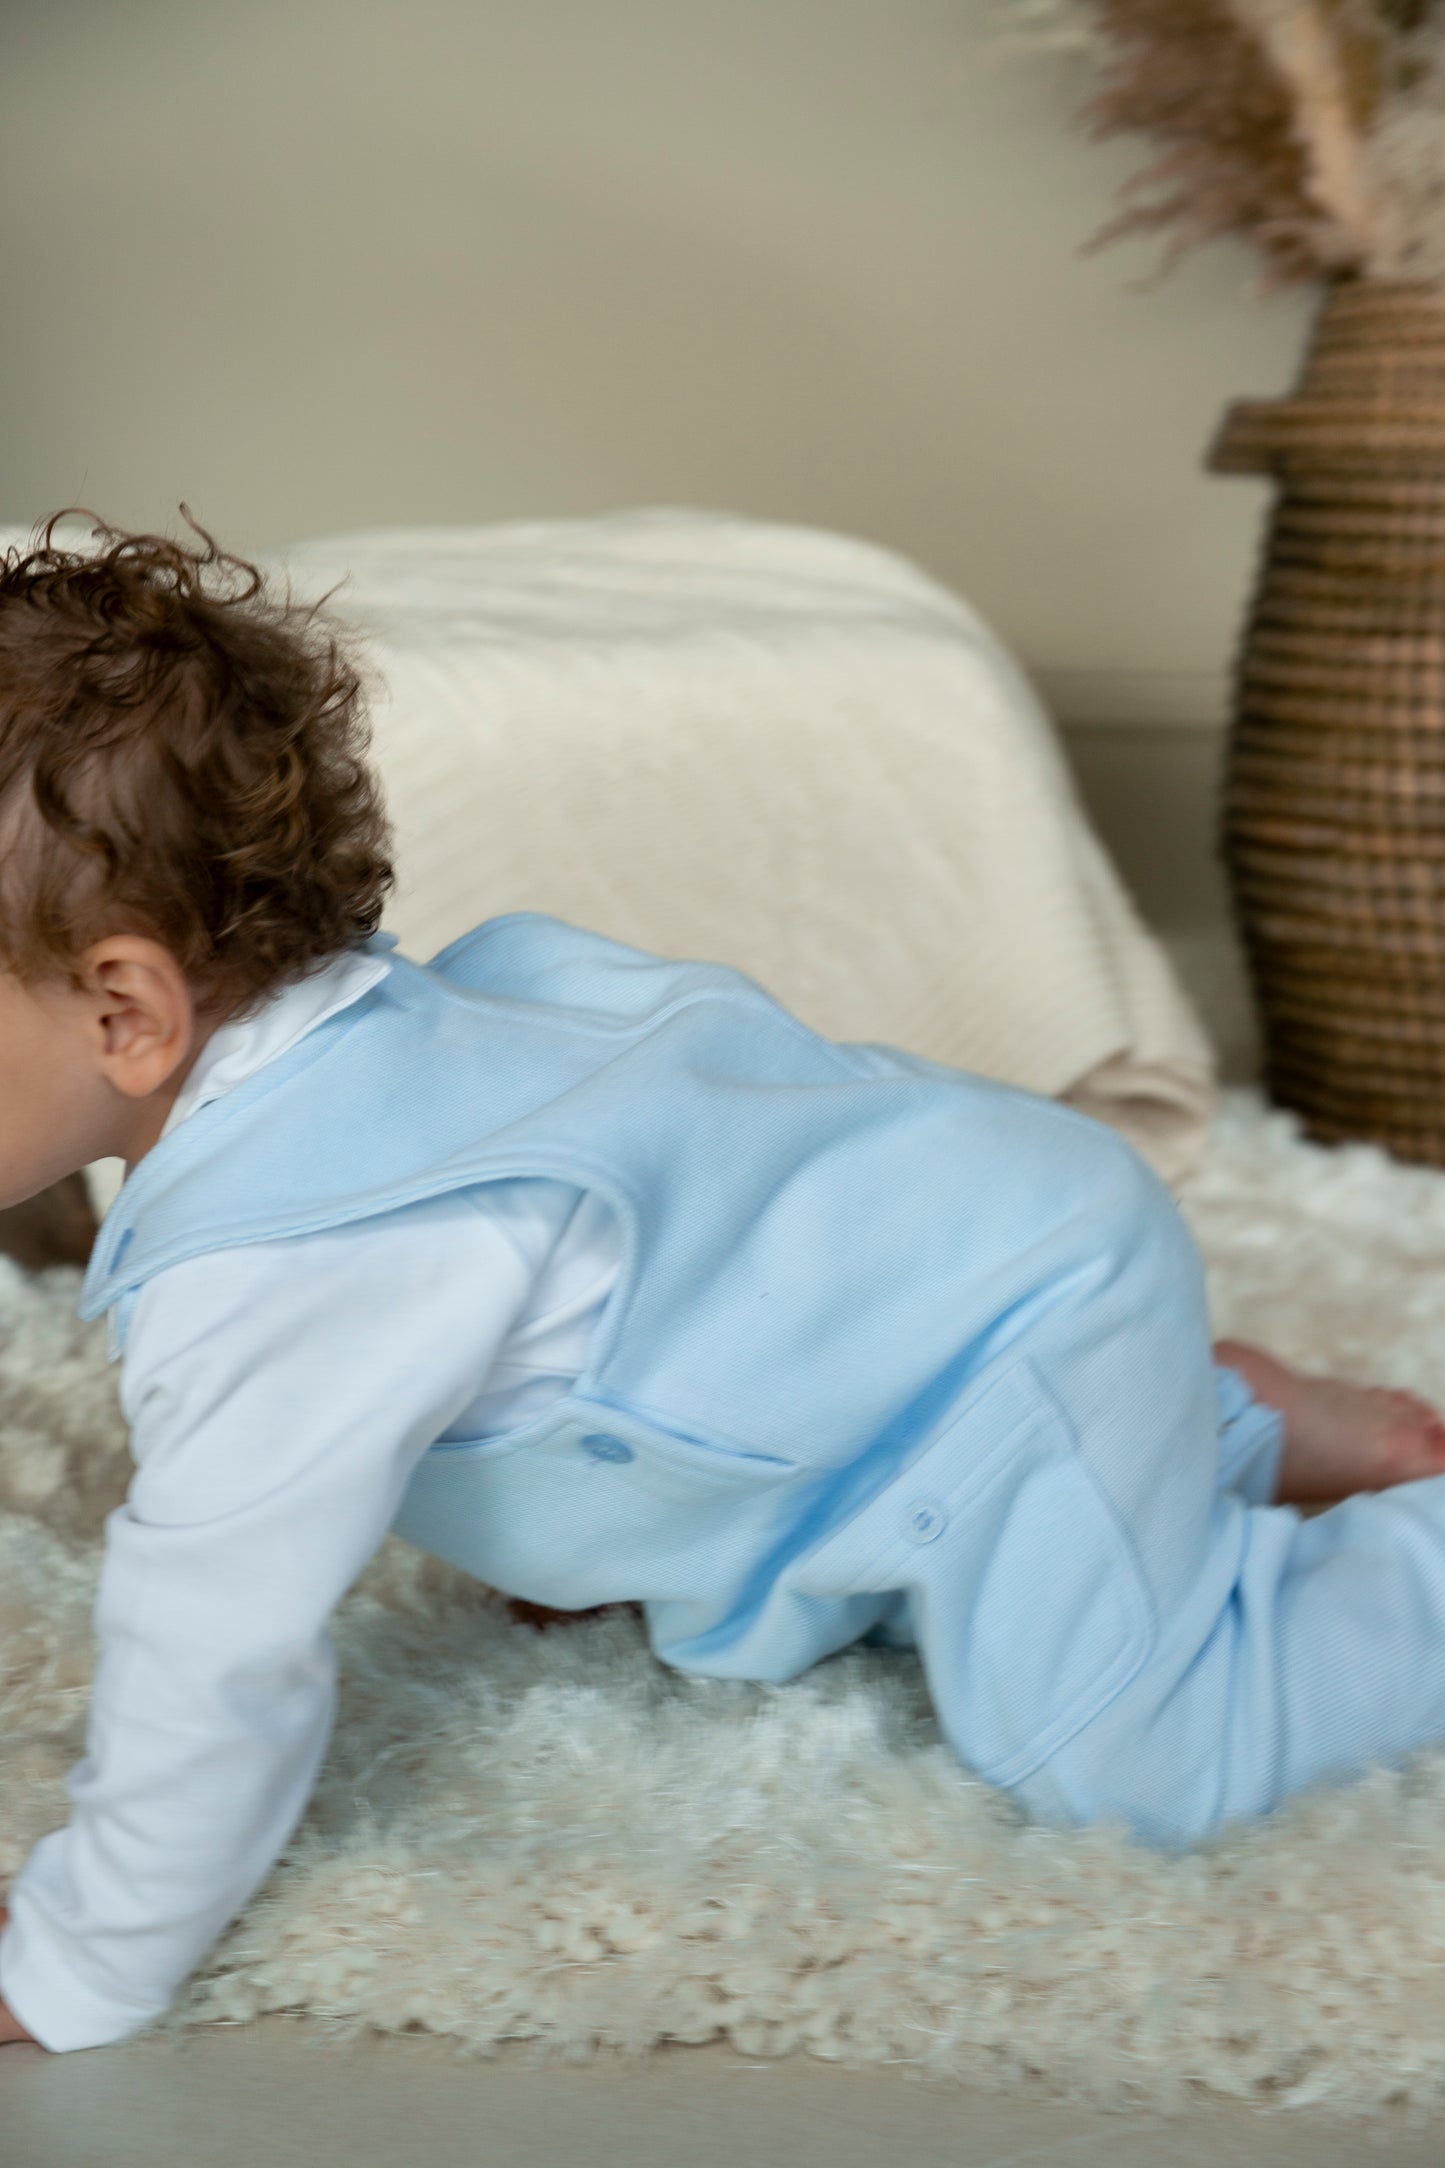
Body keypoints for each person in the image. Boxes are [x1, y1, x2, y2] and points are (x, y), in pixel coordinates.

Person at [2, 513, 1444, 2059]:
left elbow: (210, 1653)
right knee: (771, 1554)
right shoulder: (354, 1060)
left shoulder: (296, 1262)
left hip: (1004, 1336)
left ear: (128, 1009)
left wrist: (76, 1959)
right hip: (942, 1256)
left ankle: (1345, 1535)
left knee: (1125, 1750)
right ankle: (1211, 1423)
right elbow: (637, 1243)